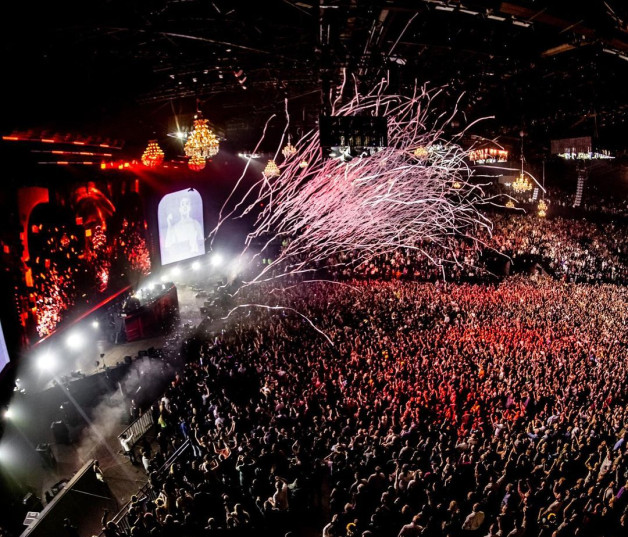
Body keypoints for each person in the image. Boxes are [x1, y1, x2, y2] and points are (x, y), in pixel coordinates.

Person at [163, 195, 204, 264]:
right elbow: (167, 246)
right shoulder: (175, 227)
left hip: (196, 258)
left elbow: (202, 242)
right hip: (181, 261)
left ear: (190, 207)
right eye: (182, 204)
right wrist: (169, 225)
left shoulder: (195, 223)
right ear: (179, 208)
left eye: (187, 204)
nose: (185, 206)